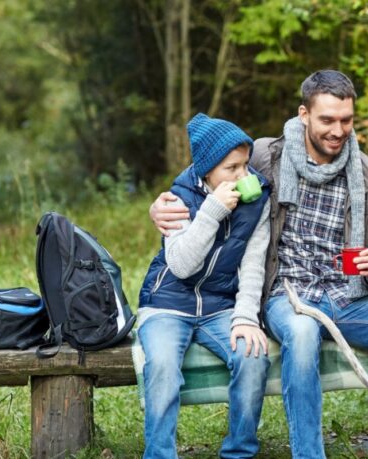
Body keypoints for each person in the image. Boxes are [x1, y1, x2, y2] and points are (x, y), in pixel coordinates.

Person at [150, 70, 368, 458]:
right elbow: (209, 166)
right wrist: (164, 202)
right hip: (288, 292)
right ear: (304, 114)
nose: (339, 130)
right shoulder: (267, 155)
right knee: (302, 335)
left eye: (346, 120)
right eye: (327, 120)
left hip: (347, 294)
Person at [137, 113, 272, 459]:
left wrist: (245, 317)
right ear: (207, 171)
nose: (243, 175)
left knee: (252, 357)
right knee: (163, 366)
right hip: (167, 303)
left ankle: (239, 452)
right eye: (232, 168)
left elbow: (254, 264)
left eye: (245, 165)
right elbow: (181, 265)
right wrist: (211, 212)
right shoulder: (178, 199)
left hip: (220, 305)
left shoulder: (256, 201)